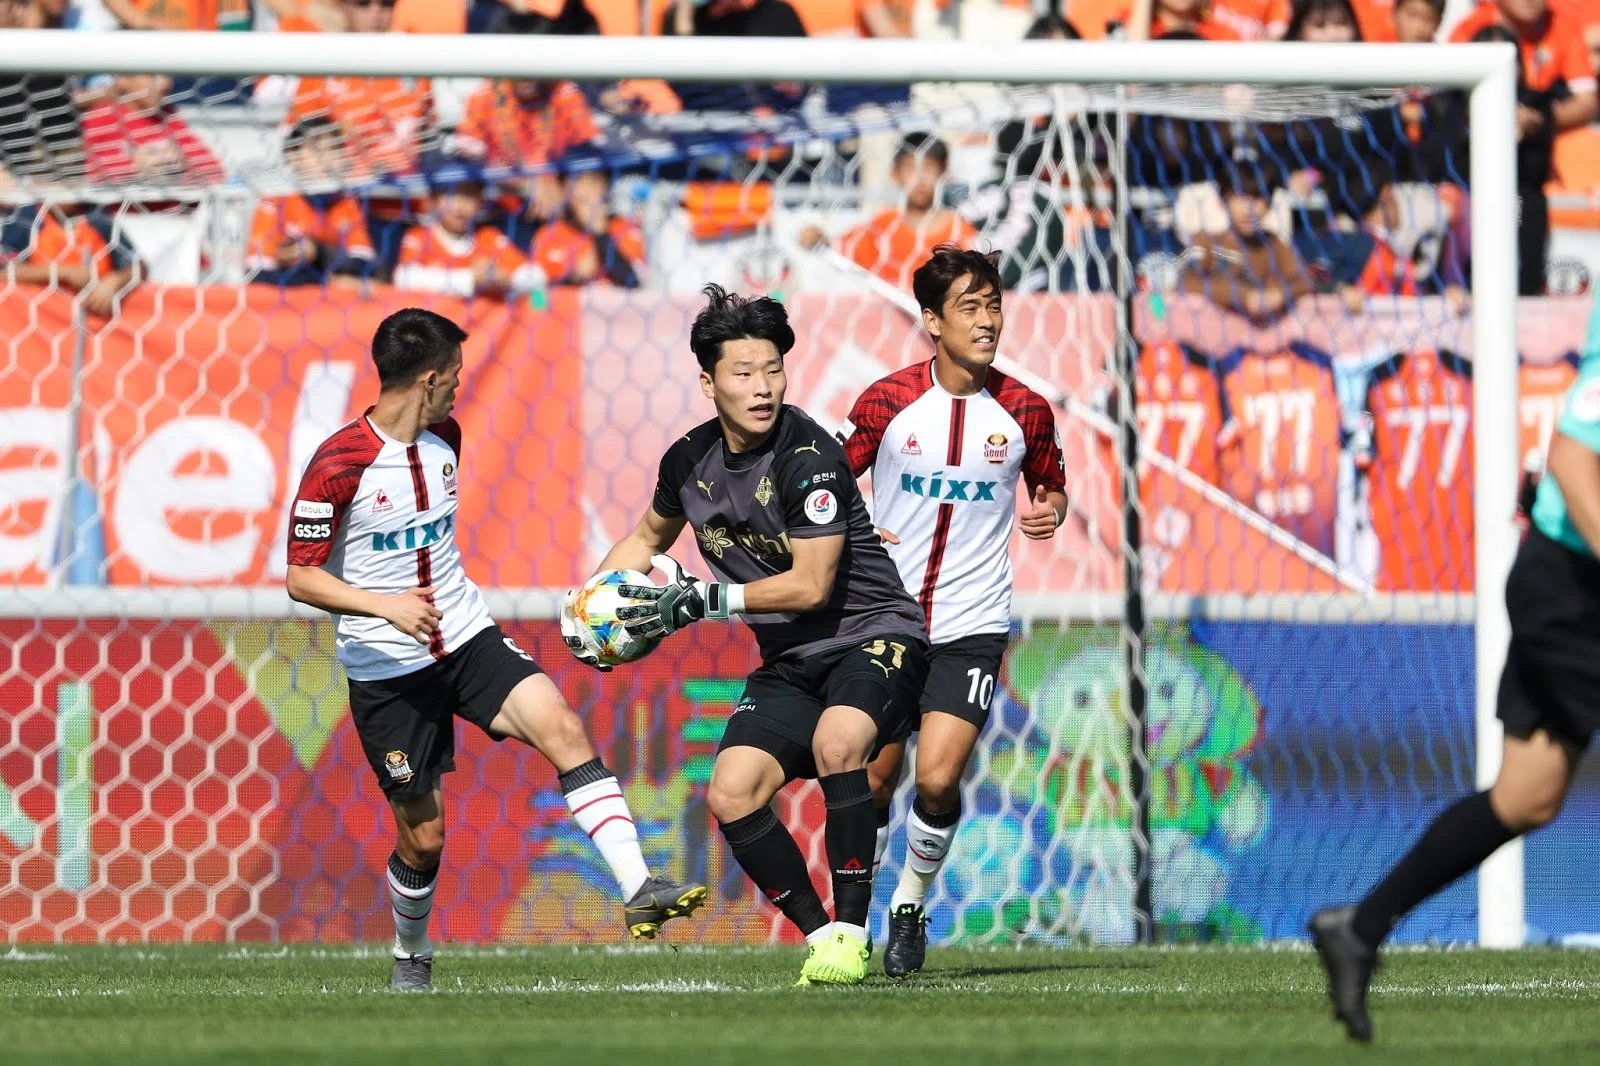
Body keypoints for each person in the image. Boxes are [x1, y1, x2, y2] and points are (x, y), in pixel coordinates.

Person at [284, 308, 705, 991]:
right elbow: (300, 577)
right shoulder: (338, 464)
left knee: (562, 726)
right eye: (454, 375)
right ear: (428, 378)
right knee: (425, 838)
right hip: (387, 667)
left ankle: (639, 888)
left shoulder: (445, 438)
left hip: (466, 635)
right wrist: (386, 606)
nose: (459, 388)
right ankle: (411, 953)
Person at [573, 285, 929, 986]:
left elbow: (812, 586)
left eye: (773, 369)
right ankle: (821, 935)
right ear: (709, 383)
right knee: (732, 791)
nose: (763, 387)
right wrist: (590, 608)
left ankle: (852, 933)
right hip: (791, 659)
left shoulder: (810, 456)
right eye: (743, 373)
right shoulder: (687, 461)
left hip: (873, 635)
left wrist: (703, 600)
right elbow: (646, 540)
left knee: (838, 745)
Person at [1310, 295, 1600, 1041]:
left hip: (1573, 587)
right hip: (1571, 588)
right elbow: (1572, 461)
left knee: (1527, 796)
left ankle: (1358, 928)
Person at [838, 246, 1067, 978]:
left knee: (937, 780)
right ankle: (850, 924)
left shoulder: (1026, 410)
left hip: (973, 622)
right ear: (933, 321)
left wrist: (1052, 510)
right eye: (970, 307)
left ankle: (909, 905)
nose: (988, 320)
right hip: (886, 619)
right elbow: (828, 485)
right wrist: (854, 528)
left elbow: (1051, 484)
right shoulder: (886, 402)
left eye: (994, 305)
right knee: (874, 779)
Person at [799, 133, 977, 291]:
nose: (920, 178)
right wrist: (818, 238)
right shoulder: (881, 226)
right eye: (911, 168)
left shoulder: (959, 231)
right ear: (895, 173)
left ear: (944, 173)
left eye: (929, 167)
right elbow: (839, 249)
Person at [246, 116, 377, 287]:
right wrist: (321, 278)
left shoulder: (347, 201)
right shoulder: (274, 199)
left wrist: (318, 252)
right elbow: (258, 272)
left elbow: (365, 264)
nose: (328, 159)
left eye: (334, 150)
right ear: (293, 156)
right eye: (318, 150)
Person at [392, 161, 546, 299]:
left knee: (539, 300)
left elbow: (537, 276)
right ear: (432, 201)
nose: (459, 206)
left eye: (468, 195)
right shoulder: (420, 235)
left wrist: (507, 280)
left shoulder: (487, 236)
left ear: (481, 203)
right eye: (449, 195)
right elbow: (403, 277)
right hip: (438, 319)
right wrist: (471, 280)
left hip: (481, 321)